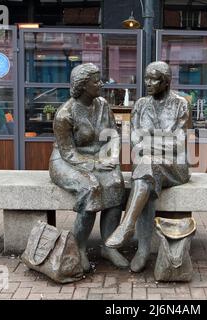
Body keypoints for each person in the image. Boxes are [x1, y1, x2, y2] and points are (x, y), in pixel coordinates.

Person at [105, 61, 191, 272]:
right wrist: (156, 141)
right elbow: (134, 141)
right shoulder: (141, 104)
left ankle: (129, 229)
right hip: (147, 166)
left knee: (145, 168)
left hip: (175, 167)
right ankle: (141, 248)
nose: (148, 83)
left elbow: (178, 144)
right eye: (146, 78)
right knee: (146, 176)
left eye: (154, 79)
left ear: (167, 81)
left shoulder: (181, 104)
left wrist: (148, 141)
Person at [48, 63, 129, 272]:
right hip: (65, 162)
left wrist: (112, 156)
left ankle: (109, 246)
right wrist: (97, 164)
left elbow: (113, 135)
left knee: (116, 182)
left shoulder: (102, 104)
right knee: (91, 187)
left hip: (98, 157)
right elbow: (68, 153)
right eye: (96, 81)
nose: (100, 83)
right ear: (83, 85)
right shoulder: (64, 115)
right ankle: (79, 247)